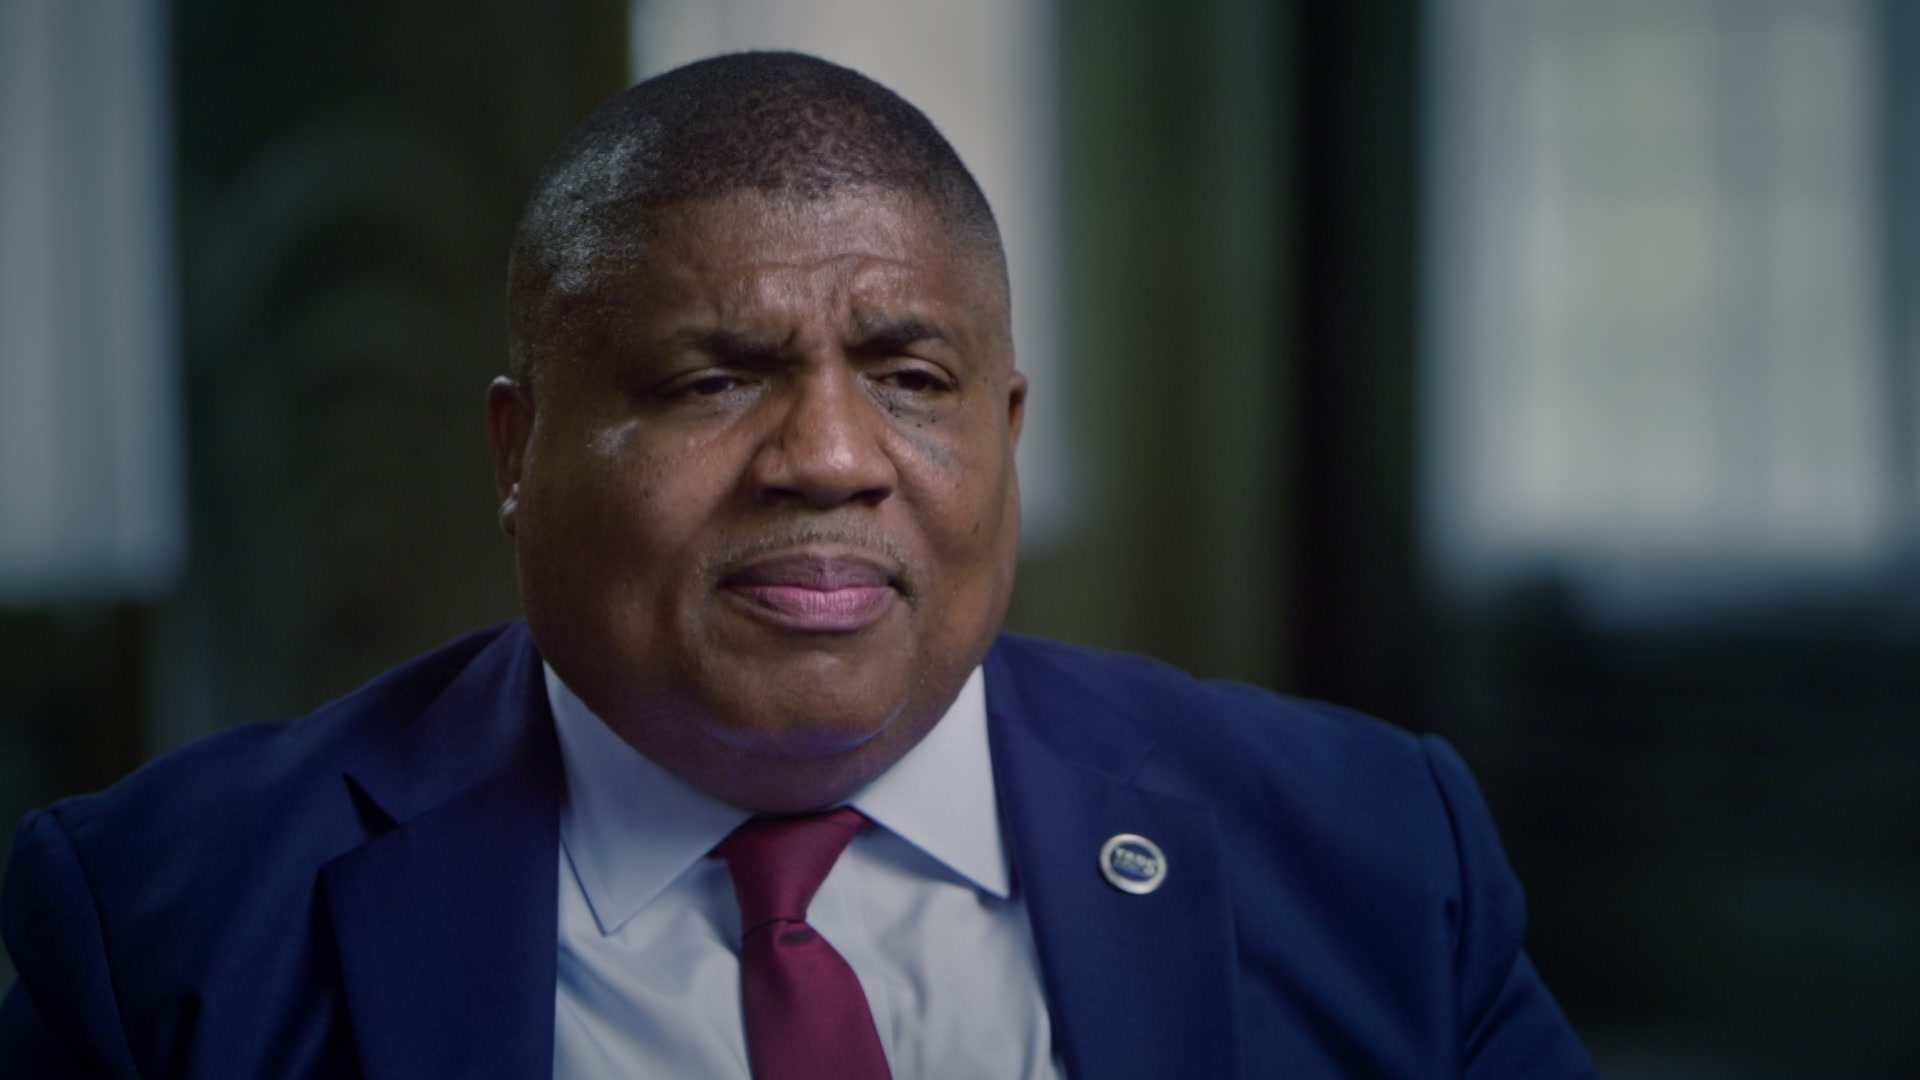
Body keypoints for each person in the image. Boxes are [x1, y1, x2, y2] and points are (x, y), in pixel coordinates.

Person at [0, 52, 1596, 1078]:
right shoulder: (164, 932)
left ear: (1007, 432)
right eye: (710, 380)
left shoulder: (1382, 858)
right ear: (517, 453)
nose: (830, 456)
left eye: (912, 376)